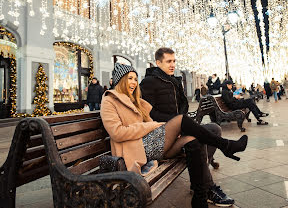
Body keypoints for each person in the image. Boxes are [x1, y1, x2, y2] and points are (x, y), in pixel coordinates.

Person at [98, 61, 244, 208]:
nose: (134, 82)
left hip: (152, 145)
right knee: (181, 120)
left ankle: (200, 199)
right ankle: (226, 145)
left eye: (135, 79)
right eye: (130, 78)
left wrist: (166, 131)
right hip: (137, 150)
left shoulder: (137, 102)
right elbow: (117, 133)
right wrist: (152, 126)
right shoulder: (109, 100)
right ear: (120, 80)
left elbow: (150, 124)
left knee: (193, 140)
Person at [140, 48, 235, 206]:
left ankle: (199, 180)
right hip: (163, 134)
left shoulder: (174, 80)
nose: (172, 64)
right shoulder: (149, 83)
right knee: (197, 142)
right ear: (158, 63)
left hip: (180, 128)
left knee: (214, 129)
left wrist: (182, 123)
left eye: (174, 61)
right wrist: (176, 123)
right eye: (168, 61)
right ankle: (208, 188)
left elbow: (183, 106)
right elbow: (150, 113)